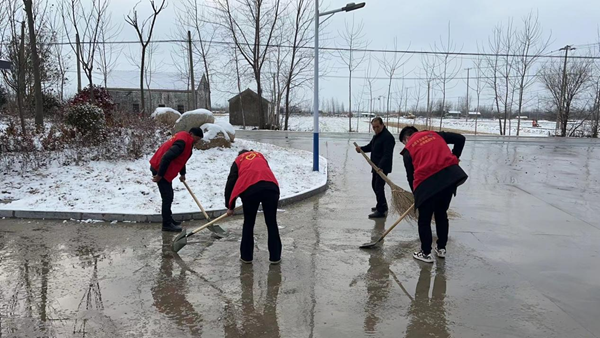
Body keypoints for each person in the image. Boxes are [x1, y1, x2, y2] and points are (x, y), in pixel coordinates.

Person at [399, 126, 468, 263]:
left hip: (426, 183)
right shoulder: (433, 135)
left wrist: (417, 195)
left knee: (424, 219)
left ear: (407, 138)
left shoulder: (408, 150)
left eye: (404, 142)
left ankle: (425, 253)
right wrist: (455, 157)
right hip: (449, 178)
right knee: (441, 213)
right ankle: (441, 248)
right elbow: (460, 139)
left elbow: (410, 177)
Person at [224, 149, 282, 264]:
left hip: (250, 190)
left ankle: (246, 257)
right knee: (271, 223)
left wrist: (230, 205)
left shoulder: (238, 160)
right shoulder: (260, 156)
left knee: (249, 223)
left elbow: (231, 181)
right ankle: (275, 257)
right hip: (271, 188)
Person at [150, 128, 203, 232]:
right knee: (167, 197)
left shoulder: (186, 140)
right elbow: (166, 157)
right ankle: (166, 225)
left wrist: (182, 173)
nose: (198, 141)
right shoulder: (182, 142)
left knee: (169, 196)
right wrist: (160, 175)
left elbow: (181, 158)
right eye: (197, 138)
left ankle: (169, 220)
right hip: (159, 168)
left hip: (163, 170)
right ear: (191, 134)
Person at [355, 117, 396, 218]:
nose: (376, 129)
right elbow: (371, 147)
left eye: (377, 127)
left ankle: (381, 211)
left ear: (382, 125)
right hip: (375, 166)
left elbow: (387, 155)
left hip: (382, 168)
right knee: (375, 185)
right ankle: (382, 205)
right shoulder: (377, 136)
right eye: (374, 127)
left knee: (378, 187)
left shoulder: (387, 137)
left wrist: (380, 167)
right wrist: (361, 149)